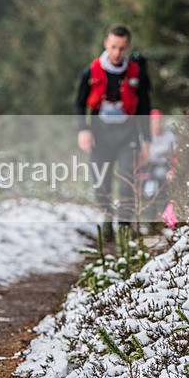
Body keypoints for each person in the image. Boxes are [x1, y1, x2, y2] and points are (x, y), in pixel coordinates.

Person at [75, 24, 151, 241]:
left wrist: (147, 141)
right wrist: (83, 130)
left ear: (127, 48)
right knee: (101, 183)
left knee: (128, 179)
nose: (117, 53)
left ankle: (125, 228)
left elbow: (145, 107)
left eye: (122, 48)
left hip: (128, 135)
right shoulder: (90, 71)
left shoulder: (136, 73)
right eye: (114, 47)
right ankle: (107, 221)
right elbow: (79, 104)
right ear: (106, 44)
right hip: (100, 135)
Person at [137, 109, 178, 220]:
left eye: (159, 121)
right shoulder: (144, 137)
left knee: (165, 188)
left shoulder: (170, 136)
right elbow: (139, 157)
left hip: (165, 168)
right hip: (149, 170)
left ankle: (165, 218)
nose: (157, 124)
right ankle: (150, 220)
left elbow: (176, 155)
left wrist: (173, 170)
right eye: (154, 121)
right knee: (150, 190)